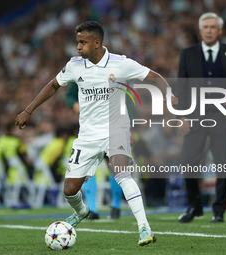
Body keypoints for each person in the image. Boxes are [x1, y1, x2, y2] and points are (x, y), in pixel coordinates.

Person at [16, 21, 177, 246]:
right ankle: (82, 211)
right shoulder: (74, 65)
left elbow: (154, 76)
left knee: (122, 174)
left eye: (83, 42)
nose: (78, 47)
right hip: (88, 136)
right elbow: (53, 85)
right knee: (70, 190)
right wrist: (28, 110)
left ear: (97, 43)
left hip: (117, 130)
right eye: (78, 42)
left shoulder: (121, 63)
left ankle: (144, 228)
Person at [176, 13, 226, 223]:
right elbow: (182, 86)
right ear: (200, 29)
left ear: (219, 30)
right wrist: (182, 115)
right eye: (206, 26)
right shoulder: (188, 53)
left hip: (223, 115)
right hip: (195, 115)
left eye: (213, 27)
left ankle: (219, 210)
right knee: (187, 161)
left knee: (222, 162)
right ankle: (194, 206)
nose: (209, 30)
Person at [66, 81, 123, 220]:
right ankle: (92, 208)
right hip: (89, 128)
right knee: (88, 166)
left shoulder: (110, 69)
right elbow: (70, 96)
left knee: (114, 165)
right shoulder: (80, 72)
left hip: (111, 125)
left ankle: (116, 206)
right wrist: (75, 105)